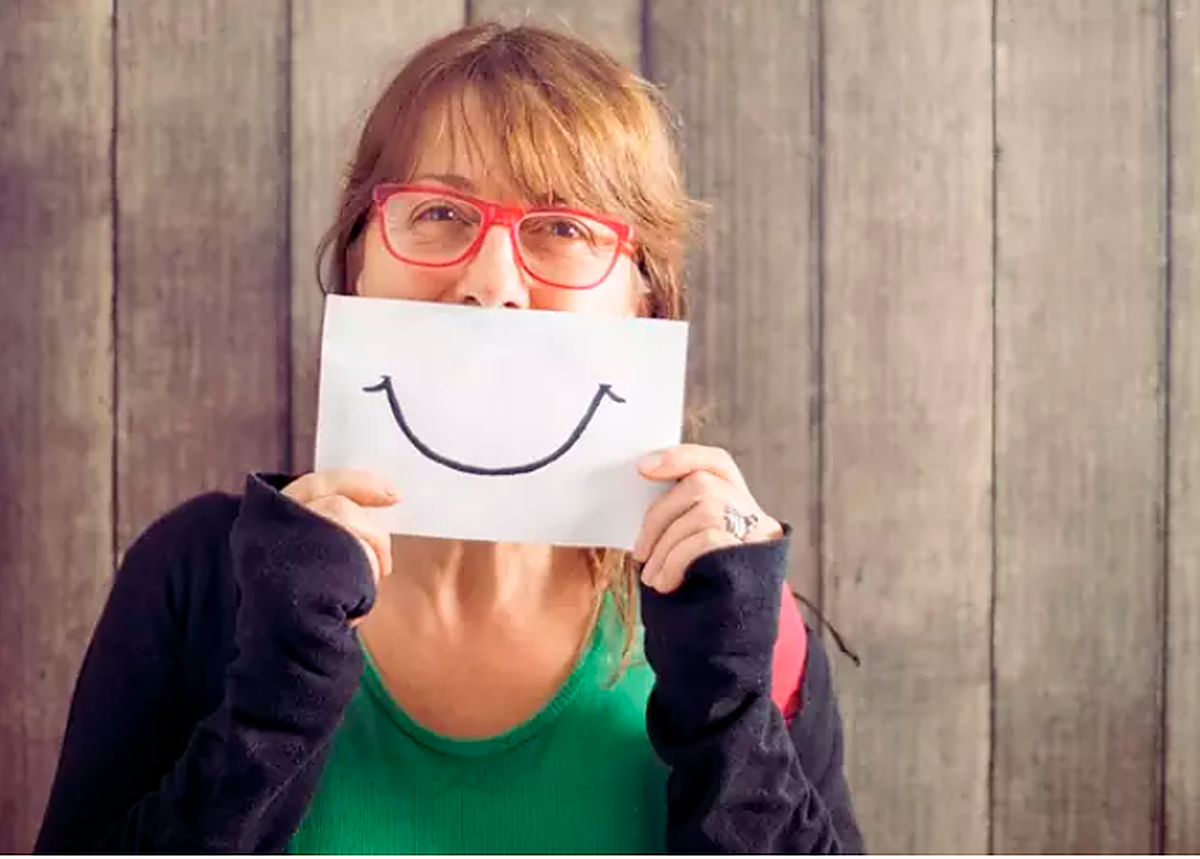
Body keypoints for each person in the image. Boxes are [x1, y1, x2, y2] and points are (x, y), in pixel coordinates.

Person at [34, 22, 862, 854]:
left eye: (565, 227)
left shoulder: (743, 625)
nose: (490, 284)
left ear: (644, 299)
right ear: (360, 266)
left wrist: (731, 709)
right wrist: (271, 702)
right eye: (435, 211)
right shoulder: (198, 578)